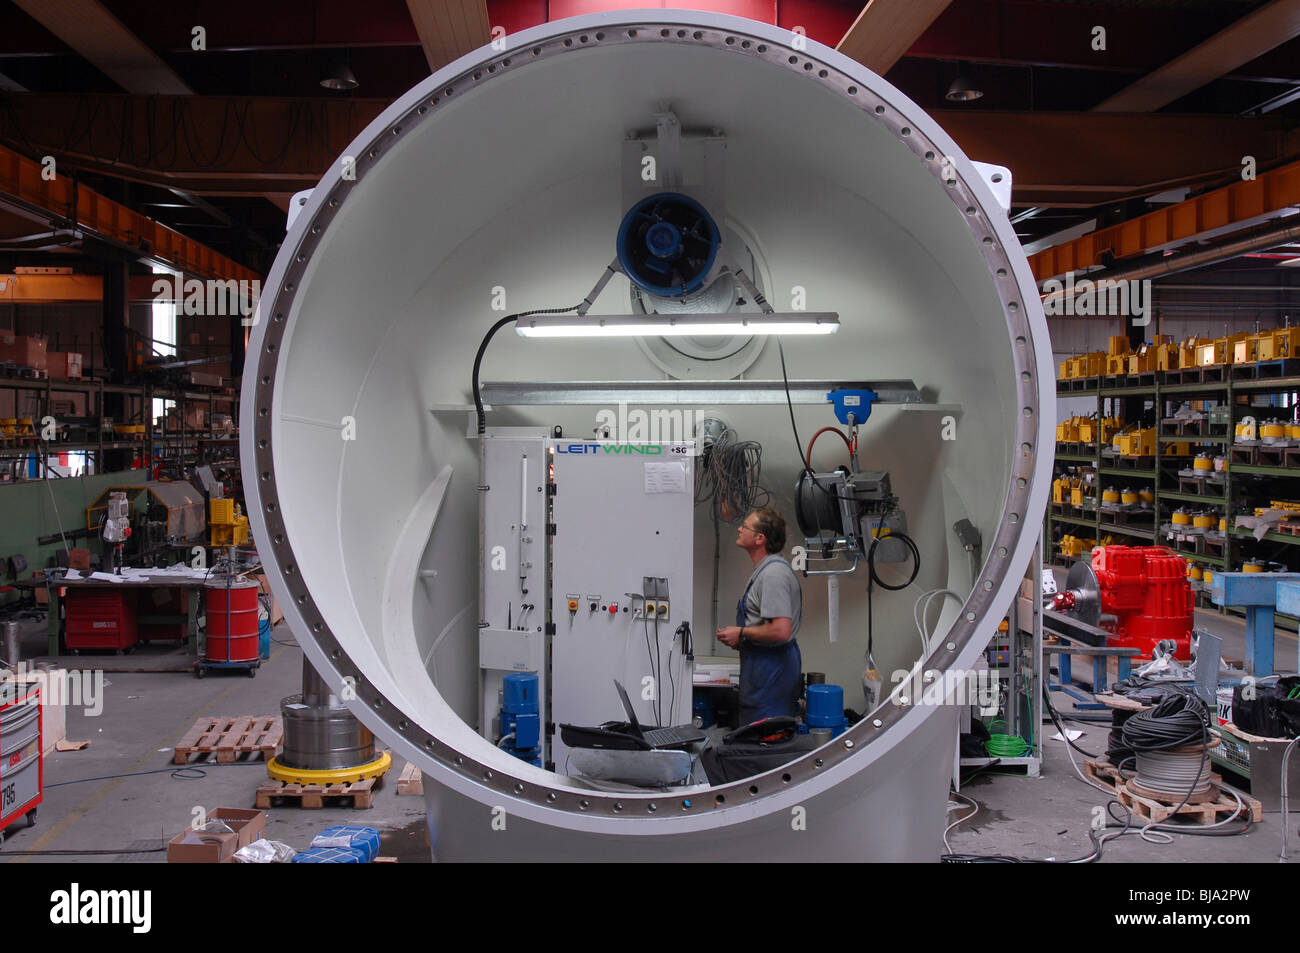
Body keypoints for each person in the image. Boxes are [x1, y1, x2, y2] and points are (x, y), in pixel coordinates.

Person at [716, 507, 803, 724]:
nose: (739, 529)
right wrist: (740, 637)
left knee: (765, 740)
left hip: (771, 672)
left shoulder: (773, 575)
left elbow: (781, 631)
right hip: (763, 668)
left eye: (745, 526)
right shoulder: (765, 570)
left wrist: (742, 632)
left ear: (759, 538)